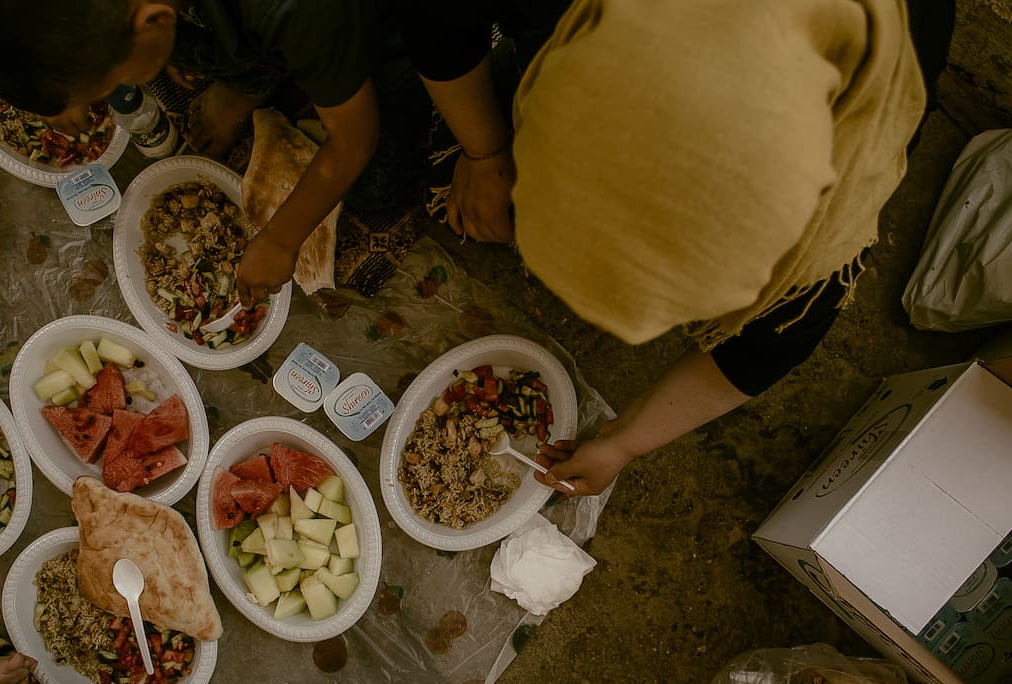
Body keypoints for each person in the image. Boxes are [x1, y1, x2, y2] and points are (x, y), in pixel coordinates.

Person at [399, 0, 952, 496]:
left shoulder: (848, 155)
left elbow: (771, 340)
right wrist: (485, 151)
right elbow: (438, 20)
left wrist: (623, 442)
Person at [0, 0, 383, 308]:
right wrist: (56, 89)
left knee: (386, 185)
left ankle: (245, 81)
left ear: (154, 22)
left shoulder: (294, 10)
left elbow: (354, 138)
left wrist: (282, 238)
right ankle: (211, 62)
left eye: (111, 88)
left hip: (370, 29)